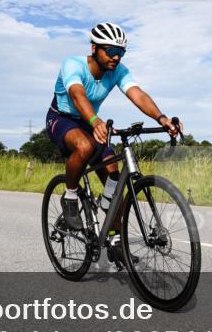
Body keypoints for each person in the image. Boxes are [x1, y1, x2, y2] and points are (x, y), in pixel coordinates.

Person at [45, 22, 180, 266]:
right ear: (95, 48)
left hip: (90, 123)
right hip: (62, 118)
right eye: (110, 51)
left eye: (121, 53)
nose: (116, 57)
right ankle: (71, 197)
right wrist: (95, 120)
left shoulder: (117, 70)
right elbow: (77, 95)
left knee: (114, 181)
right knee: (84, 147)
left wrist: (162, 118)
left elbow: (137, 94)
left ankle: (115, 239)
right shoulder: (73, 65)